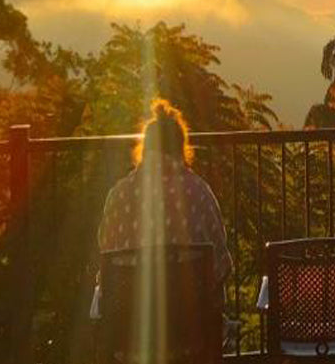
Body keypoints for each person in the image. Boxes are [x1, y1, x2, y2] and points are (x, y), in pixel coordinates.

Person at [97, 98, 233, 289]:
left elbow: (106, 255)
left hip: (128, 306)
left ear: (144, 149)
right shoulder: (200, 193)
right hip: (190, 307)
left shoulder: (119, 195)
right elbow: (220, 266)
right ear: (181, 149)